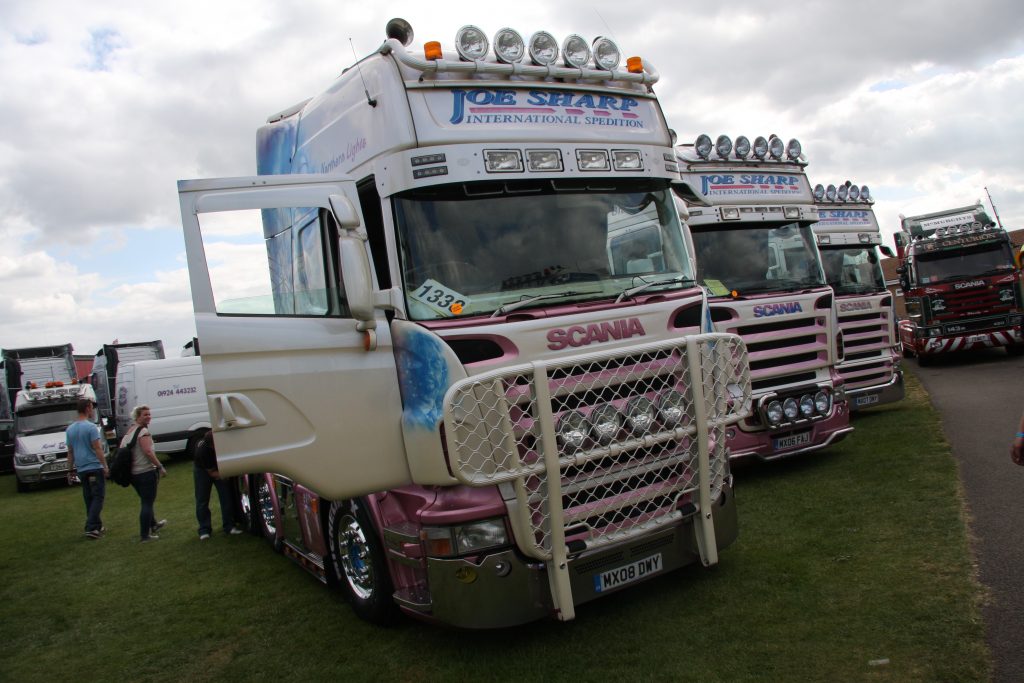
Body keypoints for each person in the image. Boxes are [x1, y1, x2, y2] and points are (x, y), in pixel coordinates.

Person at [122, 405, 167, 542]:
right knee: (147, 503)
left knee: (146, 501)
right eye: (145, 415)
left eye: (149, 414)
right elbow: (148, 452)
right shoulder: (143, 432)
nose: (148, 416)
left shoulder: (129, 432)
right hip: (145, 472)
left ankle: (153, 524)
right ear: (138, 417)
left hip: (134, 474)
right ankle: (145, 535)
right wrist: (160, 466)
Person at [66, 398, 108, 539]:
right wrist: (105, 465)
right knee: (98, 497)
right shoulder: (91, 427)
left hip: (81, 469)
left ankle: (97, 526)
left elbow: (70, 452)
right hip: (94, 466)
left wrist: (70, 469)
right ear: (88, 408)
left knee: (89, 497)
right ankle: (90, 527)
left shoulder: (70, 429)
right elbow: (97, 448)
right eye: (91, 408)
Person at [193, 429, 243, 539]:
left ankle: (229, 526)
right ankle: (204, 530)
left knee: (226, 497)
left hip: (220, 467)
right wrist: (227, 474)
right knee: (202, 499)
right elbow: (212, 473)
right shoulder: (203, 451)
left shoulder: (223, 444)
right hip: (203, 471)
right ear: (211, 445)